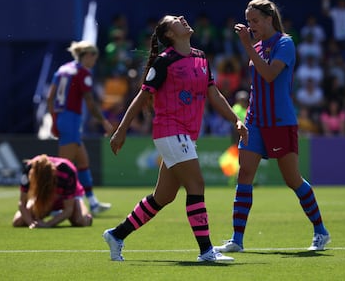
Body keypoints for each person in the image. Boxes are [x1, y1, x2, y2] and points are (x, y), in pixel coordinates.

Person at [103, 15, 249, 262]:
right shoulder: (163, 62)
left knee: (163, 197)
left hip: (186, 135)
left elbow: (213, 94)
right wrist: (121, 130)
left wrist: (234, 119)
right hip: (170, 131)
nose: (182, 19)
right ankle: (206, 251)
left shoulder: (201, 57)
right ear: (169, 34)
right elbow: (141, 97)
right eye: (175, 20)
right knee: (197, 185)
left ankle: (116, 234)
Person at [214, 0, 331, 253]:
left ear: (269, 19)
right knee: (244, 175)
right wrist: (251, 46)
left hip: (280, 122)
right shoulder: (257, 46)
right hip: (255, 120)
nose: (251, 25)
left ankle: (321, 231)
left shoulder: (285, 43)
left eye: (255, 20)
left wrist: (247, 46)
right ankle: (237, 240)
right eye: (248, 21)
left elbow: (268, 76)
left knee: (292, 180)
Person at [47, 41, 114, 215]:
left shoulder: (63, 69)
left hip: (63, 118)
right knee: (63, 168)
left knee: (83, 162)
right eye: (95, 56)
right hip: (71, 120)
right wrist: (104, 121)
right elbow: (90, 103)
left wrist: (54, 120)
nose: (95, 60)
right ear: (87, 55)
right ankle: (54, 206)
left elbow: (50, 98)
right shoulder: (83, 72)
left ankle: (92, 203)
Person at [12, 154, 92, 228]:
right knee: (18, 221)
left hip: (69, 199)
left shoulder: (66, 171)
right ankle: (55, 213)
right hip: (42, 199)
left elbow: (68, 209)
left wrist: (48, 224)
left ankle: (87, 216)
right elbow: (22, 203)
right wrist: (31, 223)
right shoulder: (29, 170)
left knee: (79, 220)